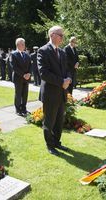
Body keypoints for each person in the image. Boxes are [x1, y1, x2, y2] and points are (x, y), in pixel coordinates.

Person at [37, 25, 72, 156]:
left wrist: (68, 78)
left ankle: (57, 142)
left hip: (61, 93)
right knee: (49, 121)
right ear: (52, 35)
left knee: (59, 121)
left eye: (63, 35)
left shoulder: (62, 52)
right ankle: (50, 145)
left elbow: (67, 69)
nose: (63, 38)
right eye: (60, 35)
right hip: (50, 93)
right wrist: (61, 82)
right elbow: (44, 73)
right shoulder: (43, 51)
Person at [10, 38, 31, 116]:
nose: (24, 45)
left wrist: (29, 73)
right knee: (18, 94)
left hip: (26, 78)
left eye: (24, 44)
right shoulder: (13, 54)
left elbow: (30, 65)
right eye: (22, 44)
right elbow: (14, 67)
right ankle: (18, 109)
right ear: (18, 45)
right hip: (18, 78)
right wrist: (23, 75)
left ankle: (24, 108)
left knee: (25, 94)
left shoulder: (26, 54)